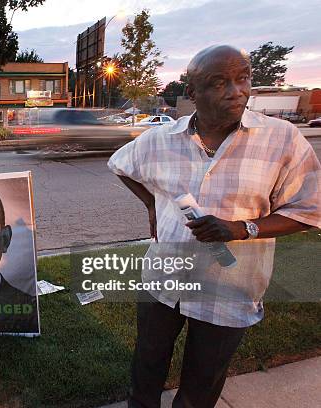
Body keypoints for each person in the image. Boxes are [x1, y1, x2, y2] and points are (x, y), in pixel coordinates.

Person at [108, 45, 320, 408]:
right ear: (193, 94)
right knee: (147, 367)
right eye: (220, 82)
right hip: (164, 278)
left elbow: (308, 210)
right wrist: (151, 204)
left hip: (229, 287)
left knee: (200, 387)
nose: (236, 90)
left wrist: (242, 229)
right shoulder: (160, 140)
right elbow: (120, 165)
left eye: (243, 78)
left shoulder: (282, 139)